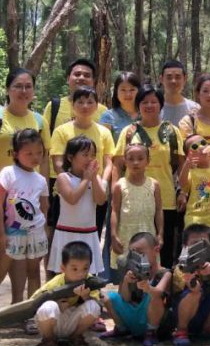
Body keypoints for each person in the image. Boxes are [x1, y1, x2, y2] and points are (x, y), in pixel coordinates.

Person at [0, 129, 50, 331]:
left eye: (39, 152)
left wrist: (43, 231)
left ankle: (30, 317)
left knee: (34, 273)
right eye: (29, 153)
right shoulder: (8, 173)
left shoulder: (41, 180)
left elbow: (44, 207)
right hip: (12, 233)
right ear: (15, 153)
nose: (35, 157)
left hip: (36, 233)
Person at [115, 85, 182, 267]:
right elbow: (118, 164)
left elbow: (181, 164)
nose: (149, 105)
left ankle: (162, 285)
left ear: (161, 105)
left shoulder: (172, 131)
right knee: (134, 250)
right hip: (133, 199)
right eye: (144, 102)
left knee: (163, 251)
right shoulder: (129, 132)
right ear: (138, 105)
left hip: (166, 200)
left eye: (154, 102)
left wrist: (183, 191)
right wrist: (115, 191)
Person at [49, 87, 114, 244]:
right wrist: (72, 182)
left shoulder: (104, 132)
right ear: (73, 105)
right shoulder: (61, 131)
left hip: (95, 187)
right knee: (61, 236)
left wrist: (103, 183)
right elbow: (58, 162)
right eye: (80, 102)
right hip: (67, 191)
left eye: (90, 102)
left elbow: (108, 162)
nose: (85, 106)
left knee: (92, 235)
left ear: (97, 106)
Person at [47, 136, 109, 276]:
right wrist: (86, 180)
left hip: (88, 234)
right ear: (70, 157)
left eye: (93, 155)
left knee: (87, 277)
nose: (89, 159)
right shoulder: (63, 178)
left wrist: (93, 178)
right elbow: (72, 198)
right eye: (85, 155)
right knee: (64, 277)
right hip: (66, 234)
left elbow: (100, 200)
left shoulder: (95, 178)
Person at [102, 232, 172, 345]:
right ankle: (121, 329)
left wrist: (148, 288)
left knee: (155, 297)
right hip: (135, 318)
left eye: (141, 253)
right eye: (133, 254)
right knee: (108, 298)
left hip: (155, 323)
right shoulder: (132, 270)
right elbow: (125, 298)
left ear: (156, 250)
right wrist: (126, 281)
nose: (137, 257)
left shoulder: (165, 273)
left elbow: (159, 293)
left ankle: (151, 332)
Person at [34, 241, 102, 346]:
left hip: (73, 323)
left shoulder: (90, 282)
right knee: (48, 307)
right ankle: (48, 339)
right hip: (54, 323)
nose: (80, 273)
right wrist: (57, 304)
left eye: (85, 268)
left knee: (93, 306)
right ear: (63, 268)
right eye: (75, 269)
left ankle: (76, 336)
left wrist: (86, 297)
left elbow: (98, 306)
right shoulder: (55, 283)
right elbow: (35, 301)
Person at [170, 224, 210, 346]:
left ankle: (207, 328)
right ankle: (181, 331)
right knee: (194, 293)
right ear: (185, 247)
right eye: (195, 243)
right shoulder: (180, 268)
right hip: (184, 315)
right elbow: (194, 290)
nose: (199, 247)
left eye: (204, 244)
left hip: (204, 313)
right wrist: (192, 276)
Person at [109, 143, 163, 278]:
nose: (136, 162)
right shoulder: (120, 185)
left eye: (140, 158)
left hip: (147, 235)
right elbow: (115, 211)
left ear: (148, 161)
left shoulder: (154, 185)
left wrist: (160, 234)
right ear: (125, 161)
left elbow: (158, 210)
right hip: (126, 236)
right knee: (126, 275)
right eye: (131, 158)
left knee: (148, 273)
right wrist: (114, 235)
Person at [0, 69, 47, 179]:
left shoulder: (41, 121)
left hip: (31, 187)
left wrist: (44, 189)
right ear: (7, 90)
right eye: (18, 86)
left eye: (28, 86)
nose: (23, 91)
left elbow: (44, 161)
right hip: (1, 186)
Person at [101, 71, 141, 141]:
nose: (128, 94)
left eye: (132, 90)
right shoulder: (108, 117)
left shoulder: (147, 114)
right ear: (116, 92)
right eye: (123, 90)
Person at [159, 59, 199, 126]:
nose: (173, 81)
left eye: (177, 77)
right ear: (161, 79)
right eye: (169, 77)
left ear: (185, 79)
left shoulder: (194, 108)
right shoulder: (154, 109)